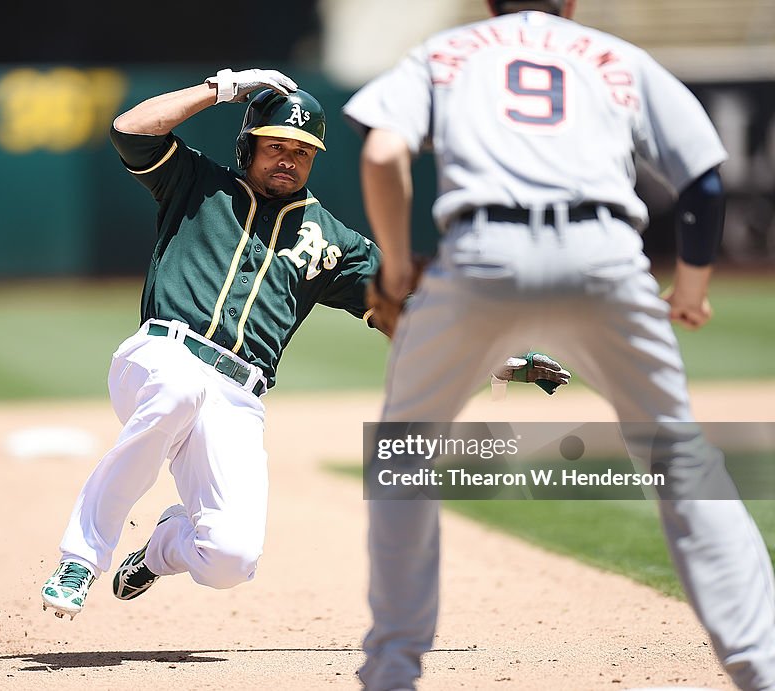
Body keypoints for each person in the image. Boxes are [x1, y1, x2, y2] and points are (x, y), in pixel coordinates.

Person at [343, 1, 775, 689]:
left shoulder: (445, 51)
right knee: (680, 456)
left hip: (480, 252)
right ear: (569, 3)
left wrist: (395, 264)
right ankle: (764, 668)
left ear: (489, 2)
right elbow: (704, 180)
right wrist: (690, 288)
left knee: (403, 452)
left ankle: (391, 671)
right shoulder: (616, 56)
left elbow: (382, 150)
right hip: (604, 253)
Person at [40, 68, 569, 620]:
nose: (288, 159)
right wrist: (225, 88)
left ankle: (162, 547)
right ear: (248, 145)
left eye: (302, 150)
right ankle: (82, 555)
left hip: (237, 395)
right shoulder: (196, 184)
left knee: (230, 558)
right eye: (275, 146)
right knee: (176, 390)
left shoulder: (332, 240)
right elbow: (130, 130)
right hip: (160, 357)